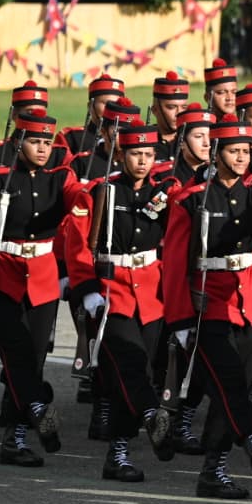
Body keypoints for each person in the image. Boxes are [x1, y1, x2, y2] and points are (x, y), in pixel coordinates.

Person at [162, 114, 252, 499]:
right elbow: (174, 263)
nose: (242, 157)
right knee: (229, 385)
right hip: (208, 305)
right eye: (233, 151)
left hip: (250, 302)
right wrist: (180, 317)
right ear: (216, 152)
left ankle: (214, 470)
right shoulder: (192, 199)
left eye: (246, 151)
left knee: (233, 391)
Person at [0, 108, 87, 466]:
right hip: (2, 276)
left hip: (43, 279)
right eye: (34, 141)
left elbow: (79, 200)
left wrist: (96, 193)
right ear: (18, 143)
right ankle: (35, 409)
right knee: (15, 354)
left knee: (33, 359)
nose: (43, 148)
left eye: (47, 142)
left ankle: (16, 437)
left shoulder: (60, 179)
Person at [65, 119, 177, 480]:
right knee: (129, 365)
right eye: (135, 154)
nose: (143, 161)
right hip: (111, 293)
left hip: (151, 293)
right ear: (120, 155)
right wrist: (87, 288)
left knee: (137, 373)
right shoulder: (100, 192)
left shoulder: (163, 195)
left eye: (149, 154)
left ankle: (118, 452)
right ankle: (151, 414)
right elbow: (77, 244)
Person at [61, 75, 125, 155]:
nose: (112, 109)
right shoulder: (72, 137)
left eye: (117, 104)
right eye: (107, 104)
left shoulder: (129, 138)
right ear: (90, 106)